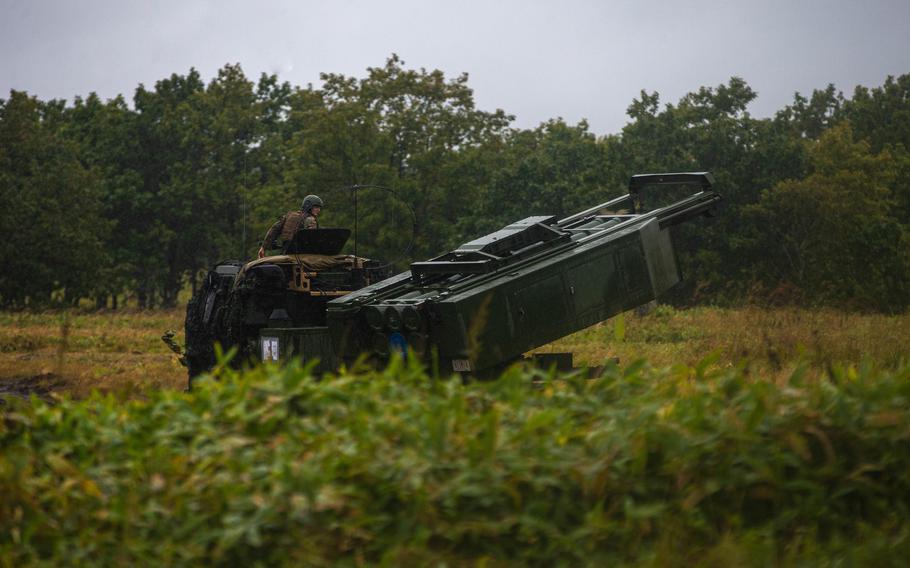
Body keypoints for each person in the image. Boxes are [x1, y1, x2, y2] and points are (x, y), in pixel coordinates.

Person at [258, 195, 323, 258]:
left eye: (319, 207)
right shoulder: (310, 219)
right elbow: (313, 239)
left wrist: (263, 247)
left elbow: (275, 229)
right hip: (302, 255)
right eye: (316, 207)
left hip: (285, 253)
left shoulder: (289, 216)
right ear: (309, 206)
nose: (319, 210)